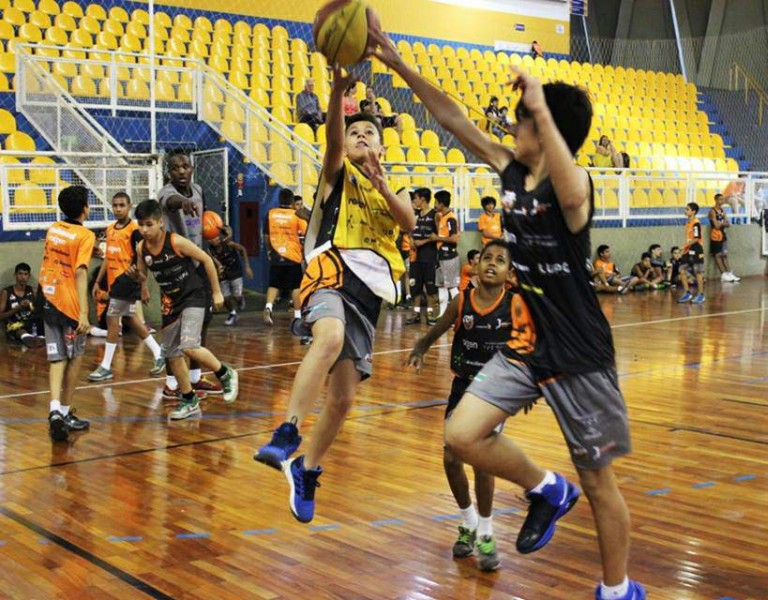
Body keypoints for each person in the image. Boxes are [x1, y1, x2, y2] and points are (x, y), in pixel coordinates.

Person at [371, 29, 645, 599]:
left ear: (544, 130)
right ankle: (546, 488)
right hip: (527, 342)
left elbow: (571, 198)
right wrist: (397, 62)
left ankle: (618, 590)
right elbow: (453, 120)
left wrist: (541, 105)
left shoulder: (575, 184)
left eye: (520, 123)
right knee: (460, 434)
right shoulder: (510, 170)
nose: (508, 130)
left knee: (599, 483)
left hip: (580, 354)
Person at [254, 66, 415, 524]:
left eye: (370, 132)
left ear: (382, 146)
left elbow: (406, 222)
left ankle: (305, 469)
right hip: (329, 270)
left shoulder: (391, 188)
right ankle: (287, 431)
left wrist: (384, 184)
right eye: (356, 131)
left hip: (368, 293)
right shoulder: (336, 173)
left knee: (344, 399)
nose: (362, 136)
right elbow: (332, 139)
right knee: (326, 338)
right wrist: (339, 92)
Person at [406, 240, 519, 572]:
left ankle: (485, 533)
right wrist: (421, 347)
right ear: (477, 264)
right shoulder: (462, 301)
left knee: (482, 463)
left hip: (495, 393)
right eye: (487, 258)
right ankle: (468, 522)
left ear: (509, 273)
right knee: (451, 458)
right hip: (463, 386)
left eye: (500, 260)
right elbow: (438, 329)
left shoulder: (514, 305)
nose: (492, 263)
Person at [135, 200, 239, 419]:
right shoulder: (141, 247)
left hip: (193, 296)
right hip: (170, 302)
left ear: (160, 222)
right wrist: (143, 286)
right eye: (141, 225)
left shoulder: (175, 241)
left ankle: (224, 373)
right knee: (172, 354)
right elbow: (143, 270)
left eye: (148, 224)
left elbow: (206, 260)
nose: (144, 229)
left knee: (189, 346)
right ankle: (189, 399)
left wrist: (217, 292)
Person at [158, 150, 221, 399]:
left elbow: (203, 223)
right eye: (176, 168)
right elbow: (172, 203)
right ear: (169, 172)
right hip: (175, 266)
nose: (181, 171)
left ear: (192, 168)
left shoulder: (198, 189)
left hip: (196, 264)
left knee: (203, 321)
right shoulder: (166, 193)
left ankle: (194, 378)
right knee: (173, 329)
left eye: (185, 166)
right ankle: (171, 384)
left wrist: (217, 234)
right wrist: (182, 204)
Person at [87, 193, 165, 382]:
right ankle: (158, 352)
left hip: (128, 280)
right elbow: (108, 257)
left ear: (129, 206)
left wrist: (143, 284)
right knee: (130, 318)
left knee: (112, 319)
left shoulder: (134, 230)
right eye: (114, 205)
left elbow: (142, 258)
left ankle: (106, 366)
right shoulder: (110, 229)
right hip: (115, 281)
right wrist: (98, 281)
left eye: (122, 205)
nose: (118, 208)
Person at [39, 186, 95, 442]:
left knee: (56, 357)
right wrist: (84, 312)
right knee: (75, 357)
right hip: (68, 304)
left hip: (47, 297)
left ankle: (53, 411)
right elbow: (81, 271)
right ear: (86, 208)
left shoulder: (54, 229)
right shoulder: (85, 235)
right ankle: (65, 412)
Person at [263, 188, 305, 328]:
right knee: (295, 286)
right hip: (293, 254)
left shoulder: (271, 214)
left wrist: (269, 250)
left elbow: (266, 236)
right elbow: (304, 234)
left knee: (274, 284)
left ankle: (268, 307)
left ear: (279, 200)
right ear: (292, 201)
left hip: (276, 253)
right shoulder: (297, 215)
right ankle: (298, 316)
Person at [208, 225, 254, 326]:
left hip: (235, 272)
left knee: (236, 295)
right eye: (211, 238)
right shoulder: (210, 250)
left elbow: (242, 249)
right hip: (224, 275)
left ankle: (240, 298)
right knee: (225, 297)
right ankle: (232, 313)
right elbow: (213, 261)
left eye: (216, 237)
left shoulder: (229, 244)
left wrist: (247, 266)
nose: (214, 240)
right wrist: (218, 268)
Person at [406, 188, 439, 325]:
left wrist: (423, 242)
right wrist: (412, 240)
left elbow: (438, 236)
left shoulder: (435, 215)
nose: (414, 201)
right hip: (415, 258)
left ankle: (431, 314)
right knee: (415, 287)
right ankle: (416, 314)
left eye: (416, 198)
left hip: (430, 257)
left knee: (430, 289)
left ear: (423, 199)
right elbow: (410, 229)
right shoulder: (416, 214)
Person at [0, 262, 44, 348]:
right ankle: (29, 339)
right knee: (20, 331)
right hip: (15, 325)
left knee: (44, 327)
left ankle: (37, 339)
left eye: (25, 274)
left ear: (29, 276)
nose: (23, 277)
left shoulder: (33, 291)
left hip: (32, 324)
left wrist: (32, 307)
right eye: (20, 274)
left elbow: (40, 312)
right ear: (15, 275)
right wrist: (17, 309)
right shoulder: (6, 292)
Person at [434, 190, 460, 316]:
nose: (434, 204)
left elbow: (454, 238)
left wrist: (437, 238)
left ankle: (459, 313)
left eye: (436, 202)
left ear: (441, 204)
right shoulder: (442, 217)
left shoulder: (451, 219)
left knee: (452, 286)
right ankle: (442, 314)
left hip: (449, 256)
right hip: (441, 256)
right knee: (441, 285)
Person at [708, 193, 740, 283]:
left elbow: (728, 224)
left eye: (723, 199)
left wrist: (722, 223)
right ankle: (723, 274)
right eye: (720, 199)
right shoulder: (712, 211)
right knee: (717, 255)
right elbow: (716, 226)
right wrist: (723, 223)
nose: (722, 201)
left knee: (724, 254)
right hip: (715, 235)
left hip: (723, 235)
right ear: (716, 200)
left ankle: (729, 273)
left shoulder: (723, 211)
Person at [679, 202, 705, 304]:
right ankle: (687, 293)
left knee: (698, 272)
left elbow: (696, 238)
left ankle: (701, 295)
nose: (685, 211)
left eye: (687, 209)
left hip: (697, 249)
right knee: (681, 269)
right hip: (688, 249)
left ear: (693, 211)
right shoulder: (688, 223)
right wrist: (685, 249)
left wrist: (684, 246)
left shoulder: (696, 223)